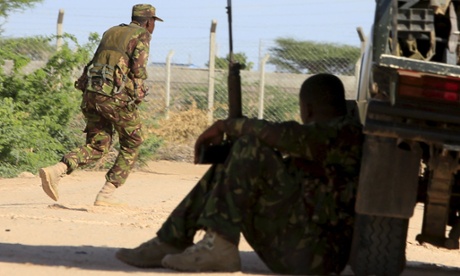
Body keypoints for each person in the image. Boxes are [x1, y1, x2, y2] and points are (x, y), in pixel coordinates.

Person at [115, 73, 364, 275]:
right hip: (302, 248)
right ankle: (172, 239)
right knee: (238, 153)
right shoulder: (333, 138)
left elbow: (286, 135)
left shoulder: (343, 135)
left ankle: (220, 246)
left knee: (249, 148)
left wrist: (226, 125)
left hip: (314, 258)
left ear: (307, 109)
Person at [39, 4, 163, 207]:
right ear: (149, 21)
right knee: (133, 141)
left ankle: (57, 170)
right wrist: (138, 91)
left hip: (92, 93)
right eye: (153, 23)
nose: (153, 27)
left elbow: (97, 60)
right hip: (115, 97)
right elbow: (138, 68)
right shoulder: (142, 35)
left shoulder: (111, 31)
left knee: (98, 145)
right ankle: (107, 194)